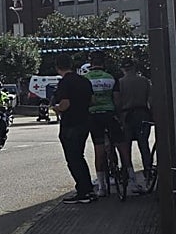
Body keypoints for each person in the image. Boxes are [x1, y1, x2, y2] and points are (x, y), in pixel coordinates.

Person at [84, 51, 133, 198]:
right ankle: (133, 180)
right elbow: (117, 100)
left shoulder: (86, 79)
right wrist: (118, 116)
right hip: (110, 115)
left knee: (99, 151)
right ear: (103, 63)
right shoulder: (111, 78)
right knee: (122, 147)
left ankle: (101, 187)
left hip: (94, 116)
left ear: (91, 64)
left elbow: (87, 100)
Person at [52, 53, 95, 203]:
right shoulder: (84, 81)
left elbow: (65, 104)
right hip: (85, 122)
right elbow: (92, 100)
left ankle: (83, 191)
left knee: (73, 159)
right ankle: (88, 189)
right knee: (80, 156)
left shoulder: (64, 83)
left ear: (58, 67)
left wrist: (56, 108)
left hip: (70, 124)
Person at [116, 60, 153, 194]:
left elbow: (118, 102)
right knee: (144, 145)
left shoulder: (120, 83)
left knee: (126, 147)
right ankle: (148, 172)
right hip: (142, 114)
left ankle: (129, 175)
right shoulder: (144, 81)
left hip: (126, 116)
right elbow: (151, 100)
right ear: (134, 68)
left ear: (123, 69)